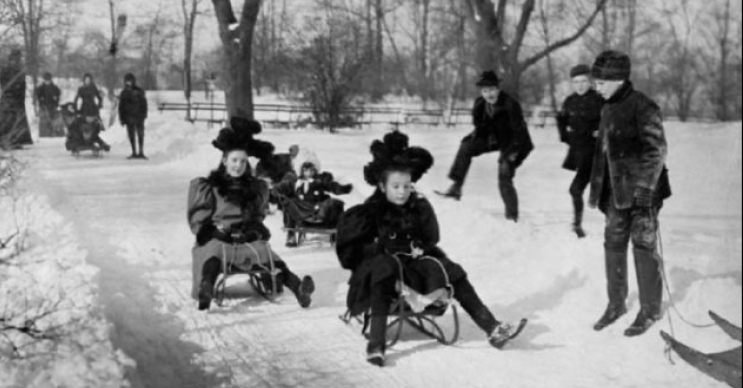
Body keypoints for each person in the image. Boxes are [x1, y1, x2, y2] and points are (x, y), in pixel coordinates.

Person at [337, 131, 527, 367]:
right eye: (395, 186)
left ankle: (492, 327)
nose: (401, 191)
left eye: (406, 186)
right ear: (382, 185)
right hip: (384, 268)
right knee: (383, 269)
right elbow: (353, 248)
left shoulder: (417, 206)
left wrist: (419, 245)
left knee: (449, 268)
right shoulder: (372, 209)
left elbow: (431, 238)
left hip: (413, 266)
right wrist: (379, 248)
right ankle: (376, 343)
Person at [186, 117, 315, 311]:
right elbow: (200, 221)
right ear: (224, 161)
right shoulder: (211, 187)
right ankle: (207, 287)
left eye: (243, 161)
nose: (238, 165)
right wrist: (214, 231)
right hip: (219, 237)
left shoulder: (254, 188)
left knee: (267, 254)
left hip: (245, 238)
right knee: (213, 254)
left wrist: (253, 230)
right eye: (234, 160)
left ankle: (298, 288)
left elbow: (257, 216)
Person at [588, 50, 672, 337]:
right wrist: (599, 189)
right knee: (612, 243)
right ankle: (616, 304)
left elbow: (656, 150)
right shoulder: (607, 107)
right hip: (614, 192)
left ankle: (649, 310)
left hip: (642, 194)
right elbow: (603, 153)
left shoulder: (643, 106)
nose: (596, 87)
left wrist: (645, 188)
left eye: (600, 82)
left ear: (618, 79)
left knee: (643, 245)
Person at [437, 71, 534, 222]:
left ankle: (512, 216)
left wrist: (509, 156)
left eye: (492, 90)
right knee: (466, 146)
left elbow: (519, 135)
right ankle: (456, 187)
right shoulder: (479, 104)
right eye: (485, 91)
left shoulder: (510, 104)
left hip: (516, 143)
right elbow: (480, 127)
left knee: (504, 171)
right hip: (494, 138)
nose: (489, 94)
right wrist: (471, 141)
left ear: (498, 89)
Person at [557, 64, 604, 238]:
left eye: (584, 81)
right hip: (581, 155)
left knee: (605, 194)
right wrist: (565, 136)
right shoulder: (570, 101)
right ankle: (577, 226)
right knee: (575, 190)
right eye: (576, 82)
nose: (580, 85)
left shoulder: (599, 99)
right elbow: (561, 119)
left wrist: (601, 132)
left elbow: (611, 121)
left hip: (598, 156)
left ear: (590, 81)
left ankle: (616, 227)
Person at [274, 160, 353, 247]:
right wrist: (277, 190)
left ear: (315, 170)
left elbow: (331, 186)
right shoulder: (296, 183)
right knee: (288, 202)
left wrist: (342, 189)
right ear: (302, 171)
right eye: (306, 170)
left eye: (311, 170)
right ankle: (291, 236)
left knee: (334, 203)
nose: (309, 172)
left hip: (319, 210)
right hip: (301, 212)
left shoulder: (320, 180)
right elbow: (281, 189)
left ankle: (336, 233)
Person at [0, 47, 33, 150]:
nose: (16, 60)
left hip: (17, 99)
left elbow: (23, 85)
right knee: (7, 121)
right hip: (8, 98)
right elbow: (4, 85)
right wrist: (12, 92)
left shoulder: (20, 70)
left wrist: (21, 97)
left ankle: (16, 140)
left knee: (17, 121)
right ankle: (5, 141)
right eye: (15, 58)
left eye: (18, 58)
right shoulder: (5, 70)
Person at [118, 72, 148, 159]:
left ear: (133, 81)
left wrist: (144, 114)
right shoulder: (124, 92)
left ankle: (141, 152)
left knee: (140, 134)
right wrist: (122, 118)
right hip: (128, 118)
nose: (129, 83)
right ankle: (134, 152)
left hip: (139, 117)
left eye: (130, 81)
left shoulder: (140, 91)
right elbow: (121, 107)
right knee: (131, 135)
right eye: (127, 81)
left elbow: (144, 104)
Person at [35, 72, 63, 138]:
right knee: (44, 122)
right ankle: (44, 135)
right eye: (46, 79)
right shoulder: (40, 88)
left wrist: (56, 101)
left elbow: (58, 95)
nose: (47, 81)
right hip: (43, 107)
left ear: (50, 79)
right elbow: (38, 96)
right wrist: (41, 102)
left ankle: (56, 134)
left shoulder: (55, 88)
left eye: (48, 79)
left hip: (53, 106)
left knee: (55, 121)